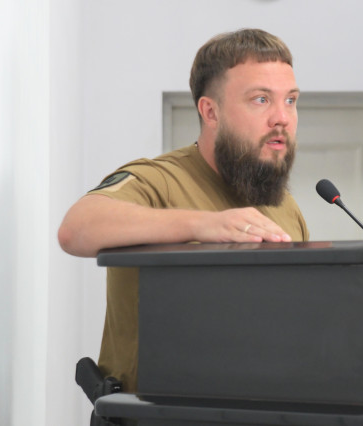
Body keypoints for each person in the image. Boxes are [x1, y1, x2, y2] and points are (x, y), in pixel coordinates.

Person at [58, 29, 309, 392]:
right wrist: (204, 225)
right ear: (211, 111)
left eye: (291, 100)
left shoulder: (285, 207)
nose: (281, 118)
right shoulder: (158, 180)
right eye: (261, 100)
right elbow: (76, 228)